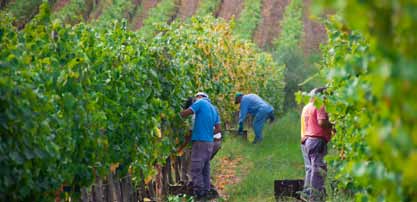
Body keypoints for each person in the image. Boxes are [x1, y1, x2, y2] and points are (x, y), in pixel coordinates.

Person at [180, 92, 221, 200]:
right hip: (209, 143)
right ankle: (206, 192)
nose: (195, 99)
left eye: (196, 97)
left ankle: (199, 194)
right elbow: (218, 128)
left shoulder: (200, 103)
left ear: (200, 97)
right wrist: (207, 133)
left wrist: (180, 111)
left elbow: (185, 114)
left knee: (195, 168)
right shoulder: (213, 108)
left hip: (200, 142)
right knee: (205, 168)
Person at [300, 87, 333, 202]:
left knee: (311, 169)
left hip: (308, 140)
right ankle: (315, 198)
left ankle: (307, 194)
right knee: (318, 170)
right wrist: (333, 125)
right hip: (317, 140)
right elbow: (322, 122)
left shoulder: (308, 107)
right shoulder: (320, 105)